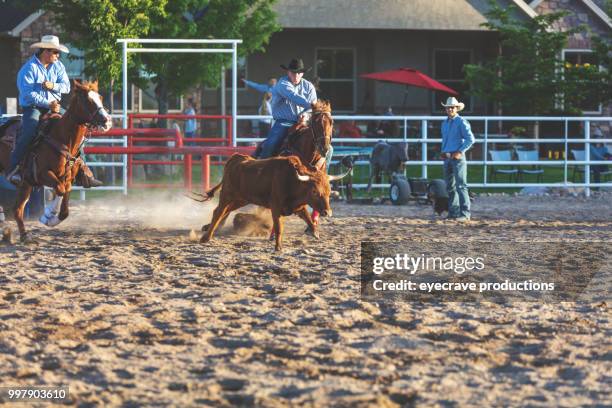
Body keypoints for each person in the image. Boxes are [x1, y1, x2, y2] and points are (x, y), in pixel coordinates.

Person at [6, 35, 101, 187]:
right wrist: (48, 103)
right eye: (55, 52)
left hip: (54, 106)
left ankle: (83, 170)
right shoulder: (29, 69)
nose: (58, 55)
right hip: (34, 107)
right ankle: (15, 169)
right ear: (45, 51)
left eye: (58, 53)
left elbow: (66, 87)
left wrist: (53, 86)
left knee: (77, 128)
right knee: (29, 130)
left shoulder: (58, 66)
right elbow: (28, 94)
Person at [259, 58, 332, 164]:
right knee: (271, 143)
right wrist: (314, 106)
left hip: (305, 123)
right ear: (288, 72)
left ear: (302, 73)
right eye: (293, 72)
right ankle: (262, 167)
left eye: (299, 73)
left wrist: (305, 115)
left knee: (328, 148)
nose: (296, 75)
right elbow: (294, 96)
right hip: (283, 122)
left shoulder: (309, 86)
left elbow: (312, 109)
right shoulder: (282, 83)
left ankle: (321, 175)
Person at [440, 97, 474, 222]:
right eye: (448, 107)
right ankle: (454, 212)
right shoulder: (445, 123)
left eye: (452, 107)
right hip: (447, 157)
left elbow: (471, 139)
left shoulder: (461, 122)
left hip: (457, 157)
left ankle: (465, 214)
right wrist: (443, 151)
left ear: (456, 108)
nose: (450, 109)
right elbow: (445, 140)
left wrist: (460, 151)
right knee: (450, 186)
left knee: (461, 186)